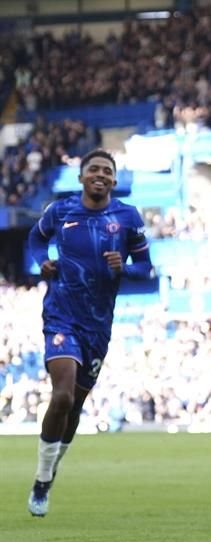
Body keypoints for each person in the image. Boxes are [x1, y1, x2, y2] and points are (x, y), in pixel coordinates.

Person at [26, 149, 154, 517]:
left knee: (77, 406)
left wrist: (125, 269)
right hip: (61, 315)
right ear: (81, 178)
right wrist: (42, 261)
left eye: (107, 171)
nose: (100, 175)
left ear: (114, 181)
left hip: (98, 325)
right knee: (62, 396)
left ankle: (49, 474)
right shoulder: (60, 211)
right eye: (93, 169)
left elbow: (146, 267)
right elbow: (36, 240)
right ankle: (40, 479)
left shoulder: (127, 218)